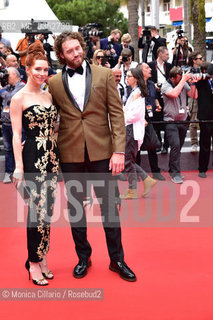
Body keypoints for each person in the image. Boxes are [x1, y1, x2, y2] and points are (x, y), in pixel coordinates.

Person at [48, 31, 136, 282]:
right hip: (70, 153)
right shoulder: (54, 83)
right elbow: (51, 117)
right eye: (70, 51)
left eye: (78, 48)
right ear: (61, 55)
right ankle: (83, 257)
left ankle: (117, 259)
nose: (76, 53)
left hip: (102, 152)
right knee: (76, 209)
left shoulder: (104, 74)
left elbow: (116, 115)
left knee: (109, 207)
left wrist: (119, 150)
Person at [10, 42, 59, 286]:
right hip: (32, 157)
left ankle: (42, 256)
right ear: (27, 69)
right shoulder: (19, 98)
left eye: (45, 69)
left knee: (47, 210)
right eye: (38, 69)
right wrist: (18, 167)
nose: (42, 73)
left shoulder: (48, 94)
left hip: (51, 157)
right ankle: (33, 262)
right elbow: (16, 134)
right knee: (36, 211)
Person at [120, 68, 157, 199]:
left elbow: (134, 114)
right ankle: (146, 180)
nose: (127, 78)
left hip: (131, 130)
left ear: (135, 78)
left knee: (128, 160)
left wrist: (121, 116)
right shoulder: (135, 92)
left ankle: (133, 190)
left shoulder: (137, 93)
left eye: (129, 76)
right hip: (130, 129)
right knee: (128, 160)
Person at [161, 66, 197, 183]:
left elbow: (194, 95)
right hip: (170, 121)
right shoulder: (166, 85)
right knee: (175, 145)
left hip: (182, 120)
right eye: (180, 77)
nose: (182, 78)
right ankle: (175, 173)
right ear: (173, 78)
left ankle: (172, 169)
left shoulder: (182, 82)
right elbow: (174, 94)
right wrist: (184, 80)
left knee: (179, 146)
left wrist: (192, 83)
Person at [137, 62, 166, 181]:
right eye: (147, 68)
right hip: (138, 119)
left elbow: (154, 98)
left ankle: (156, 171)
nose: (150, 69)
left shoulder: (151, 84)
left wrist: (157, 105)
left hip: (151, 118)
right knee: (137, 147)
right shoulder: (135, 85)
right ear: (140, 71)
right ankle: (137, 173)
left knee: (152, 145)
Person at [0, 68, 25, 183]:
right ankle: (8, 172)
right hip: (5, 123)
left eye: (8, 75)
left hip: (18, 124)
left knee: (20, 148)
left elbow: (11, 97)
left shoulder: (22, 86)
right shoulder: (7, 87)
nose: (6, 77)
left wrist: (2, 89)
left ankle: (23, 171)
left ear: (15, 74)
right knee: (8, 149)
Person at [148, 46, 173, 154]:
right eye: (166, 54)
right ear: (160, 54)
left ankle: (166, 146)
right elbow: (148, 80)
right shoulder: (150, 66)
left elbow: (172, 79)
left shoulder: (169, 66)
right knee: (155, 120)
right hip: (155, 95)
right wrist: (154, 86)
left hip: (167, 95)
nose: (168, 56)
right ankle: (158, 142)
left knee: (167, 120)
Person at [196, 63, 213, 178]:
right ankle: (202, 168)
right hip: (205, 117)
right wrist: (207, 75)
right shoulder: (201, 81)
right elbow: (196, 77)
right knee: (204, 144)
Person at [187, 51, 204, 153]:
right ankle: (194, 144)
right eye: (200, 58)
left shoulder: (205, 70)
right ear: (194, 60)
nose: (202, 60)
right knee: (193, 122)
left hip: (205, 97)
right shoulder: (188, 71)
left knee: (207, 122)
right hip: (193, 97)